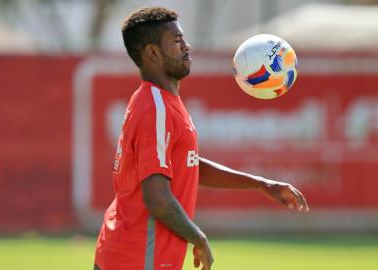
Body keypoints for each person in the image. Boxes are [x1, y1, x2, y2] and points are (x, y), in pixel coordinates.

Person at [94, 6, 309, 270]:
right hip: (138, 258)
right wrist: (198, 237)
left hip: (130, 253)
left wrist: (259, 183)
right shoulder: (156, 108)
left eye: (183, 38)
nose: (186, 46)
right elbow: (157, 198)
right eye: (176, 41)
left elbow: (187, 164)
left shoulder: (159, 100)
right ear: (152, 53)